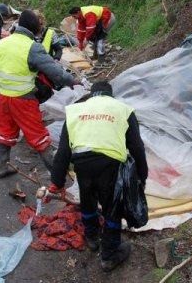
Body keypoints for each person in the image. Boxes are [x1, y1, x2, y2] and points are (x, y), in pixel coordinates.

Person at [48, 81, 148, 271]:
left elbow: (63, 152)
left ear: (91, 95)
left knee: (87, 197)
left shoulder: (76, 111)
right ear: (110, 95)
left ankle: (92, 238)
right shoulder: (123, 109)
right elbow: (137, 147)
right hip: (110, 164)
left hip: (82, 163)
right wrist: (142, 176)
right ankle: (109, 255)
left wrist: (57, 181)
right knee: (112, 207)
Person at [0, 10, 79, 178]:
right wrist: (72, 81)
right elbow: (55, 72)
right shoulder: (32, 47)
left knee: (5, 132)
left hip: (2, 97)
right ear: (34, 28)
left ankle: (0, 168)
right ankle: (57, 173)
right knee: (38, 135)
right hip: (23, 100)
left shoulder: (2, 43)